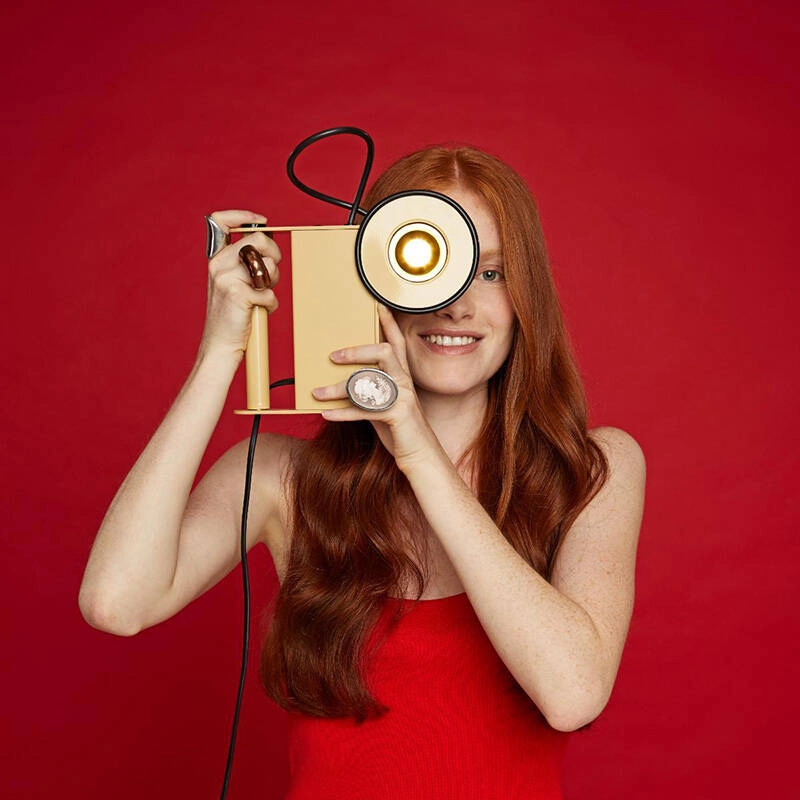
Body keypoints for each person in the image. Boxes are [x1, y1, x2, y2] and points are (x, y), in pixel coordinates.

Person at [79, 144, 646, 799]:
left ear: (527, 297)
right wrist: (222, 347)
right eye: (425, 263)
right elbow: (115, 603)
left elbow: (573, 694)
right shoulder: (282, 478)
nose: (457, 304)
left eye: (490, 272)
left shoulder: (593, 469)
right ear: (367, 281)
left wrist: (417, 451)